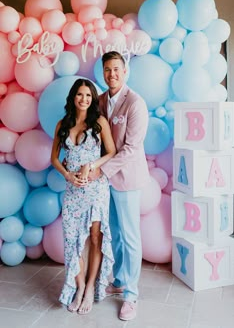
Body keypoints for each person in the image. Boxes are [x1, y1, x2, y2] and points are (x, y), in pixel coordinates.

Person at [51, 78, 116, 315]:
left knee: (95, 237)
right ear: (73, 97)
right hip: (73, 190)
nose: (84, 99)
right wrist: (68, 175)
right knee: (71, 239)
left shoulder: (99, 122)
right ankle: (78, 287)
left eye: (88, 95)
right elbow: (55, 158)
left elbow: (111, 152)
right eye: (80, 95)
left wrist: (92, 164)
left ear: (93, 98)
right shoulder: (63, 125)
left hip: (97, 188)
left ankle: (90, 288)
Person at [98, 51, 150, 321]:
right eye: (107, 69)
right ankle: (118, 280)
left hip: (126, 179)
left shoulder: (135, 103)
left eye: (116, 69)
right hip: (106, 181)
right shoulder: (100, 100)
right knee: (115, 233)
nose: (112, 74)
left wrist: (101, 170)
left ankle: (131, 295)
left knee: (130, 237)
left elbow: (131, 148)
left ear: (125, 71)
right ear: (103, 72)